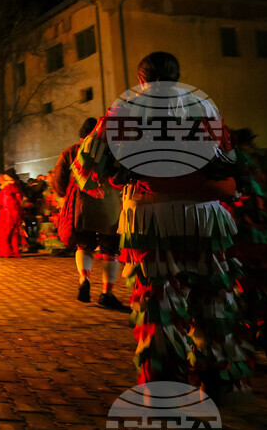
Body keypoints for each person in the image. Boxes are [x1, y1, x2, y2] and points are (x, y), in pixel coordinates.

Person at [72, 51, 252, 396]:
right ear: (177, 75)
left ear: (141, 79)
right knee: (213, 295)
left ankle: (164, 384)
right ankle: (217, 379)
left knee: (159, 302)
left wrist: (103, 183)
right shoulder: (204, 107)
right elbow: (228, 160)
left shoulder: (122, 110)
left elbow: (86, 166)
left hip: (149, 217)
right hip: (206, 215)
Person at [225, 128, 267, 362]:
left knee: (243, 287)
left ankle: (247, 341)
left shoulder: (230, 160)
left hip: (243, 234)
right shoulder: (262, 159)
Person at [52, 117, 126, 309]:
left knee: (84, 244)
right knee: (110, 248)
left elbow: (58, 180)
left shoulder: (71, 152)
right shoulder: (111, 152)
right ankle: (106, 292)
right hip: (107, 203)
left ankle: (84, 280)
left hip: (81, 204)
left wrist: (62, 195)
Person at [0, 170, 25, 258]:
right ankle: (13, 251)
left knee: (5, 232)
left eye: (5, 175)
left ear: (9, 176)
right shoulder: (13, 186)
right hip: (12, 211)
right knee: (13, 233)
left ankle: (6, 251)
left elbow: (3, 199)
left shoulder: (9, 186)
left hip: (7, 212)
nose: (4, 176)